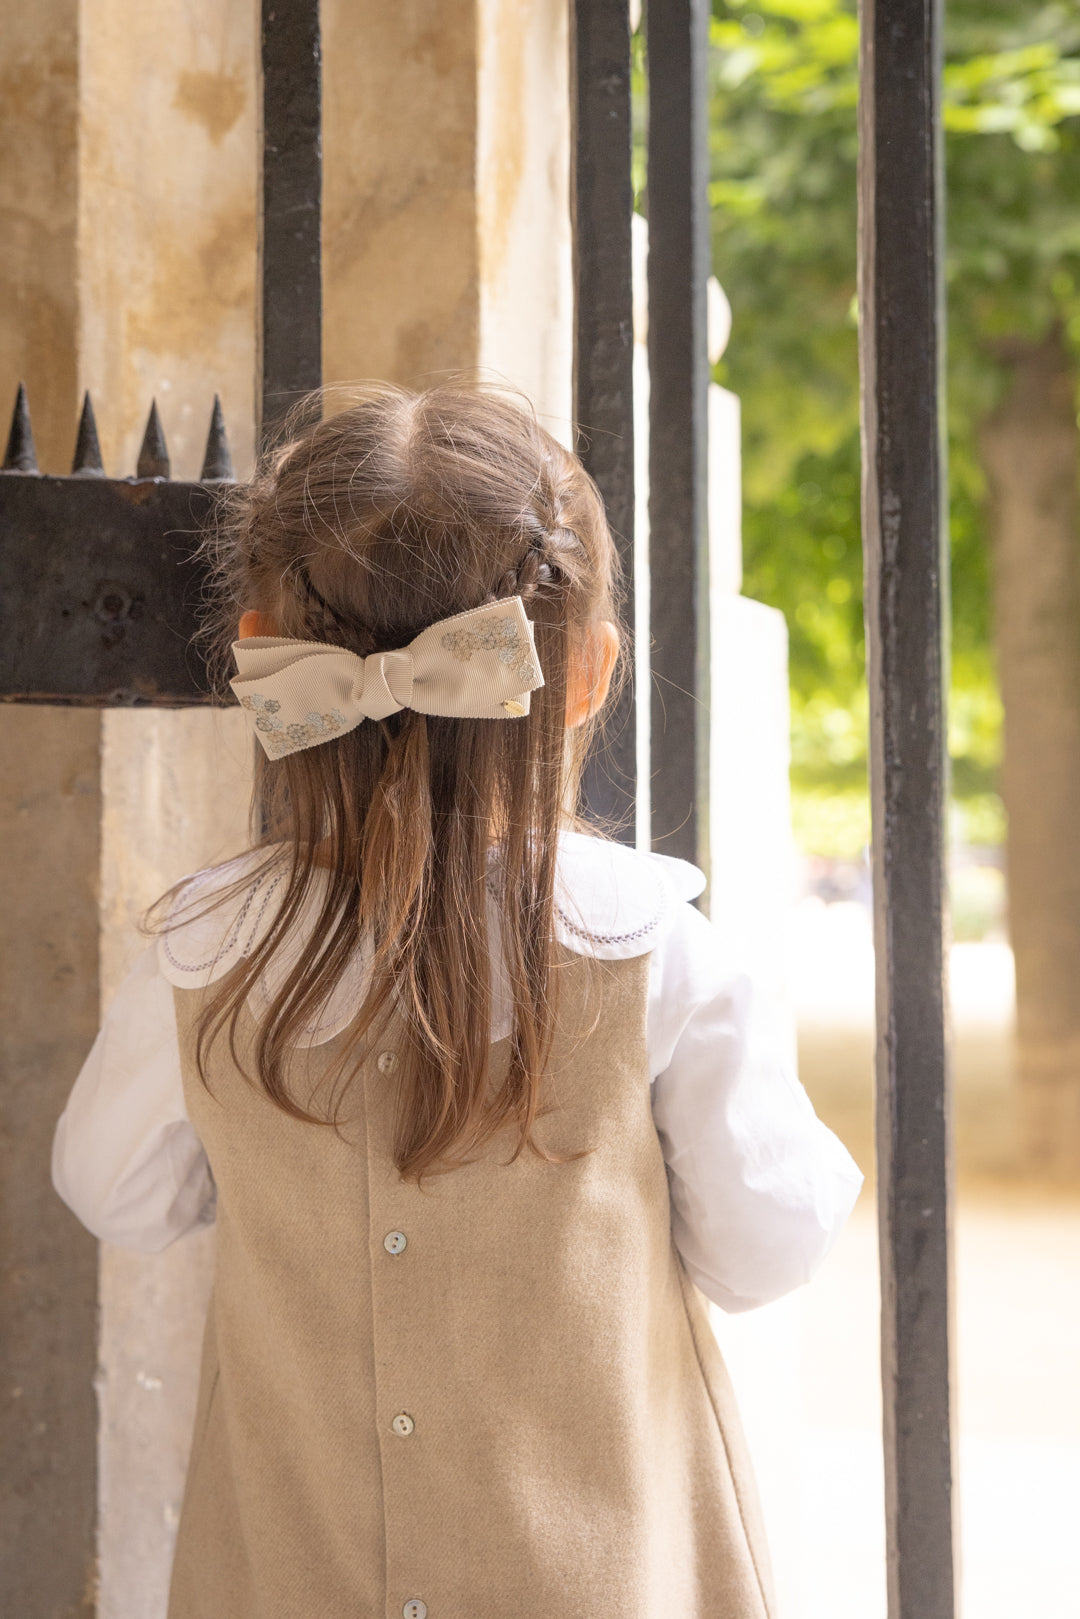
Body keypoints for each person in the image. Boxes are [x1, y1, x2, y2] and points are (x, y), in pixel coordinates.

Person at [51, 382, 862, 1619]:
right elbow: (768, 1244)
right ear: (585, 672)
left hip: (283, 1575)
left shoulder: (205, 950)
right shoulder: (657, 952)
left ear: (265, 646)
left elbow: (114, 1189)